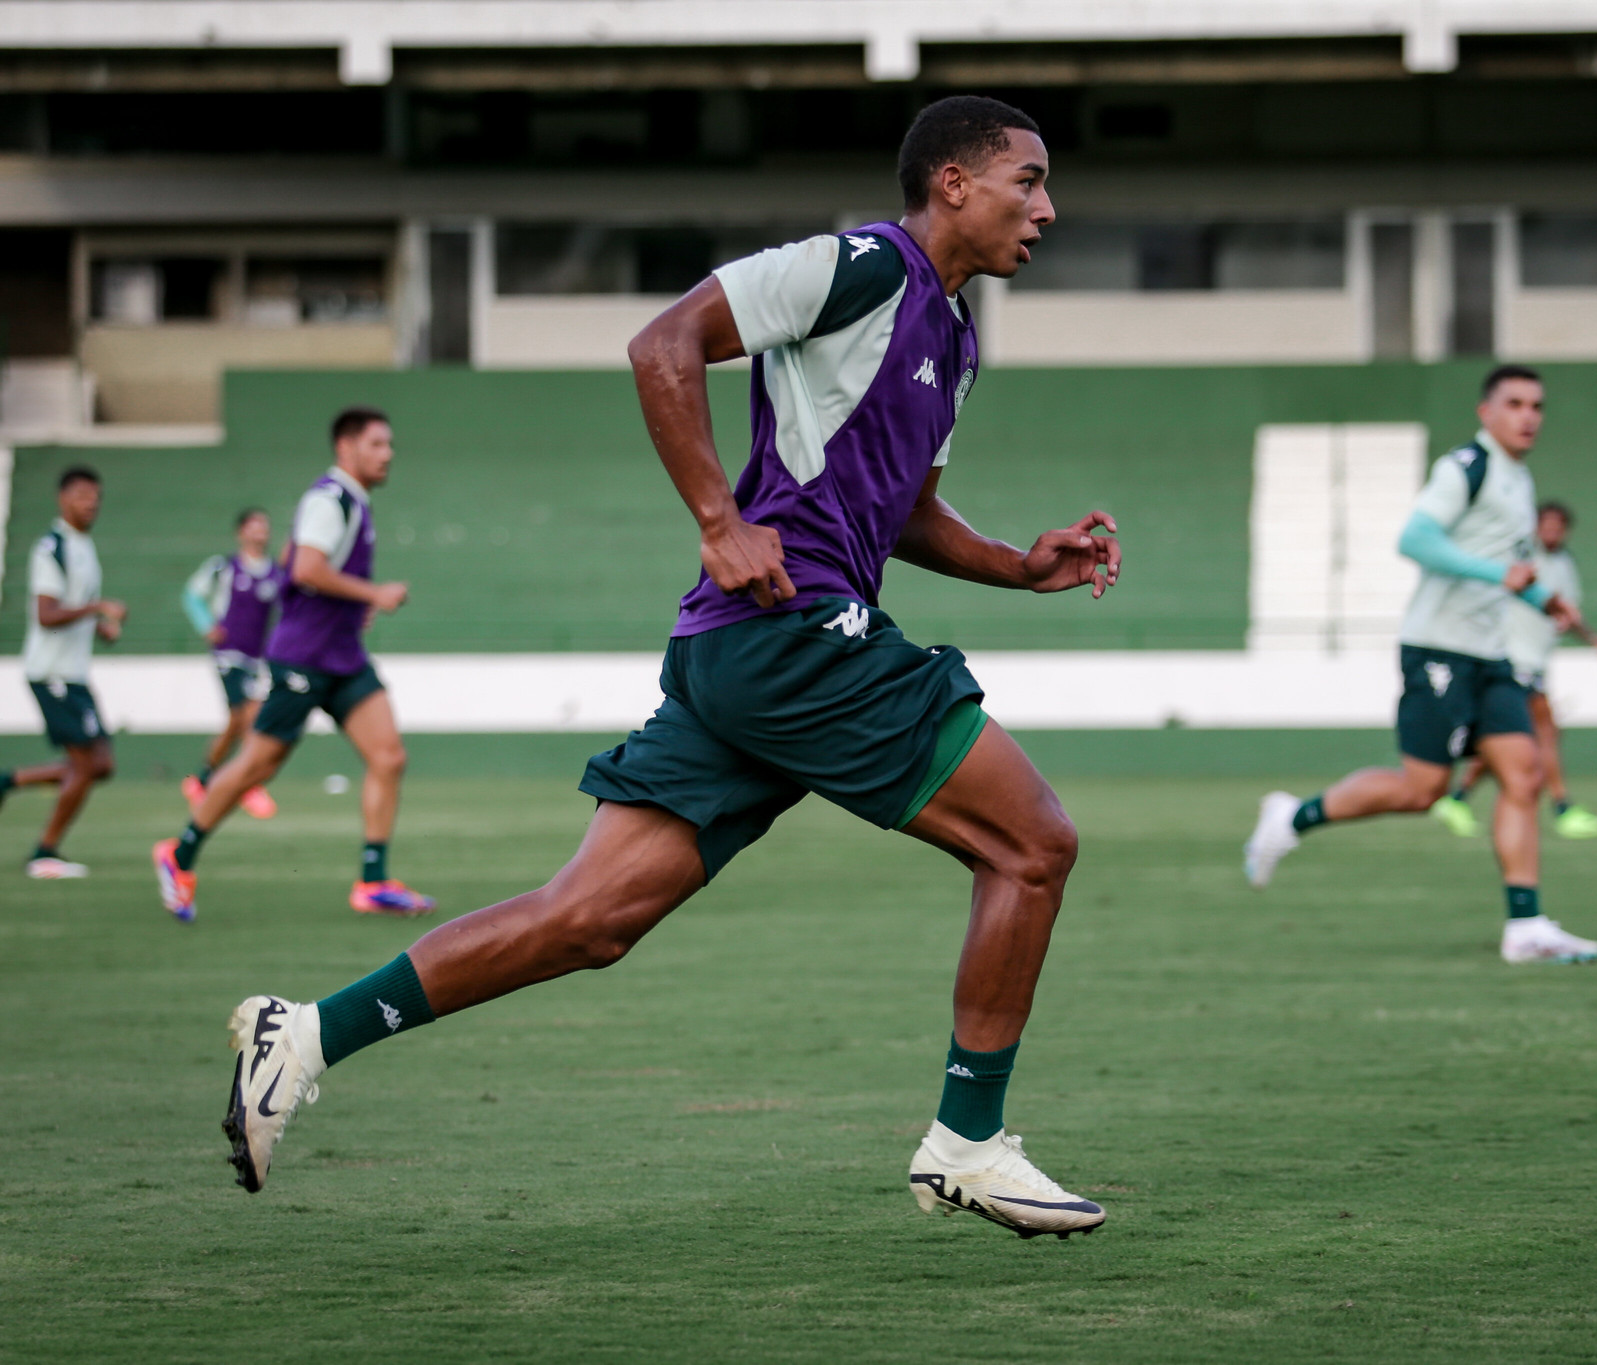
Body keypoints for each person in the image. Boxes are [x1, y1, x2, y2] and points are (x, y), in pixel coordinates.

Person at [213, 97, 1121, 1241]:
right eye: (1026, 181)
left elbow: (906, 513)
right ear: (952, 183)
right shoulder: (853, 268)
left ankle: (303, 1035)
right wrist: (716, 519)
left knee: (587, 920)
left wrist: (1014, 565)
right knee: (1032, 845)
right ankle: (966, 1145)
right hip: (792, 635)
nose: (1046, 209)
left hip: (749, 647)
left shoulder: (954, 337)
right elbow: (663, 343)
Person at [1242, 365, 1597, 965]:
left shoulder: (1519, 480)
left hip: (1492, 655)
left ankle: (1526, 927)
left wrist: (1545, 599)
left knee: (1524, 776)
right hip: (1439, 649)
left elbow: (1506, 567)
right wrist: (1499, 574)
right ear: (1486, 412)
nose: (1528, 416)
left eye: (1537, 406)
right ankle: (1291, 817)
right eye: (1515, 403)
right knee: (1421, 791)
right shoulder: (1467, 467)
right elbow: (1414, 540)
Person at [153, 407, 435, 919]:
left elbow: (290, 559)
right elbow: (305, 567)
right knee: (256, 766)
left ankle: (372, 883)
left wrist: (350, 604)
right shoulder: (330, 499)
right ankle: (179, 856)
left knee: (389, 757)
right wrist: (371, 593)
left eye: (389, 444)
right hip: (304, 658)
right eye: (377, 444)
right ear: (346, 448)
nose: (388, 454)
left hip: (342, 655)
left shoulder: (352, 501)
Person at [1432, 499, 1597, 839]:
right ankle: (1562, 808)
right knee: (1545, 732)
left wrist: (1591, 637)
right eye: (1546, 525)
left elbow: (1565, 610)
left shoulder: (1565, 563)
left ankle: (1456, 799)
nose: (1552, 532)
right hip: (1516, 659)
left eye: (1558, 526)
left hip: (1537, 662)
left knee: (1506, 740)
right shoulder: (1522, 557)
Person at [0, 465, 123, 879]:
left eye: (96, 497)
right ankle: (44, 851)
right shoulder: (51, 548)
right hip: (52, 673)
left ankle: (10, 781)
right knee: (86, 764)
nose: (92, 503)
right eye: (83, 495)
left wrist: (99, 626)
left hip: (73, 674)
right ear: (62, 498)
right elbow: (47, 615)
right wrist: (97, 608)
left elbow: (73, 608)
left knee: (101, 764)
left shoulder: (83, 545)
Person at [179, 507, 286, 820]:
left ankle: (201, 780)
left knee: (236, 722)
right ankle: (249, 784)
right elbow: (192, 595)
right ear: (241, 532)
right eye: (254, 526)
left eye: (264, 526)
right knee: (250, 716)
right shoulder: (224, 567)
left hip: (256, 659)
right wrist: (206, 625)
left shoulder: (275, 574)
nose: (260, 531)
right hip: (228, 654)